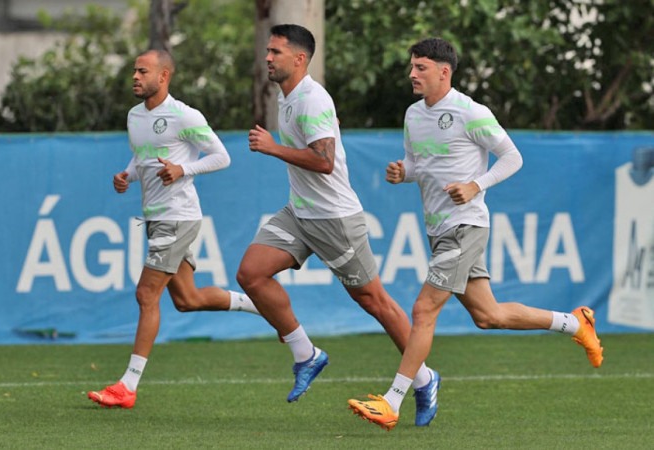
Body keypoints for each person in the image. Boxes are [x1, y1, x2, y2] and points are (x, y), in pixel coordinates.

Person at [347, 37, 604, 431]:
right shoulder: (414, 114)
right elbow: (419, 164)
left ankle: (392, 401)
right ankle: (575, 323)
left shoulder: (470, 111)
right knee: (489, 315)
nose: (411, 74)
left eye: (420, 68)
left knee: (423, 310)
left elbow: (512, 157)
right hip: (439, 228)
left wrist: (476, 185)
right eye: (412, 66)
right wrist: (405, 172)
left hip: (465, 226)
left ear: (443, 71)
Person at [236, 24, 440, 426]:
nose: (268, 58)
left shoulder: (311, 98)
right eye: (268, 50)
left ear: (299, 59)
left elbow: (324, 161)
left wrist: (273, 148)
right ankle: (306, 355)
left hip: (334, 219)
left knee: (373, 301)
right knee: (251, 273)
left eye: (275, 52)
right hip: (299, 213)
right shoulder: (288, 95)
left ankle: (424, 378)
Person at [87, 49, 260, 409]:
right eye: (134, 70)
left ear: (164, 76)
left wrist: (184, 170)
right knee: (187, 300)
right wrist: (128, 175)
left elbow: (221, 156)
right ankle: (259, 305)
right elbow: (143, 156)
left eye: (142, 71)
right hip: (157, 215)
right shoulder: (135, 116)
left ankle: (127, 386)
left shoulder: (184, 116)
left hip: (177, 215)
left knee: (146, 295)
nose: (135, 77)